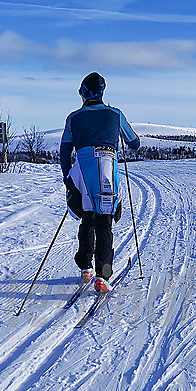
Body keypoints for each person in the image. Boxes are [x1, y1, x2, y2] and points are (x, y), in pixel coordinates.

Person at [60, 72, 140, 293]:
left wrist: (68, 178)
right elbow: (134, 143)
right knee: (105, 221)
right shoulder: (115, 114)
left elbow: (65, 150)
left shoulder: (73, 118)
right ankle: (102, 275)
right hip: (107, 166)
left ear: (84, 93)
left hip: (83, 170)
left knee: (87, 218)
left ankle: (85, 267)